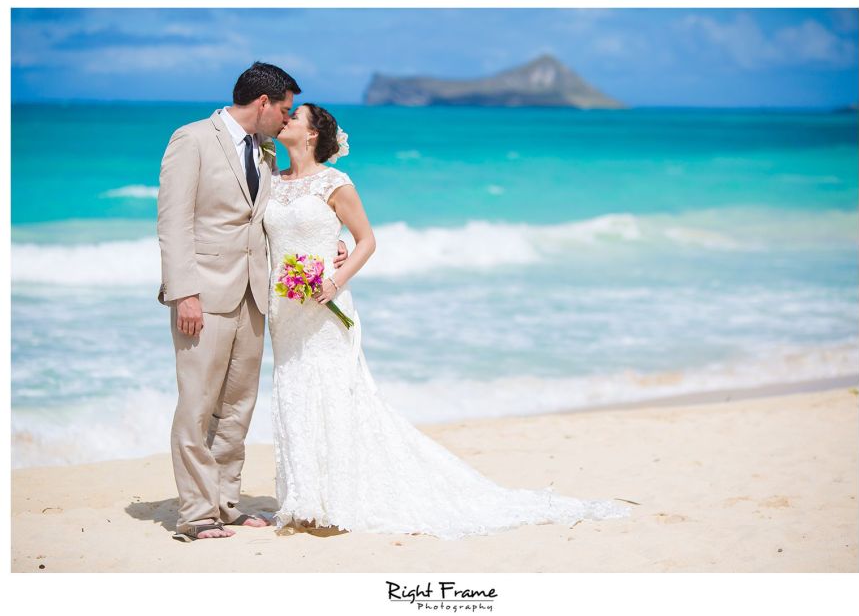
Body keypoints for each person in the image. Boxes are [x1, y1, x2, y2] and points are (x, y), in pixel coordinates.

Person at [264, 103, 631, 539]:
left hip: (324, 306)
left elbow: (366, 240)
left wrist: (334, 277)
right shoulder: (272, 180)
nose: (285, 119)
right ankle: (305, 497)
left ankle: (334, 498)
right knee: (293, 390)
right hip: (283, 308)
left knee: (330, 390)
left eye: (295, 116)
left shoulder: (335, 182)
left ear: (310, 135)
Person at [156, 63, 348, 542]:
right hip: (203, 295)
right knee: (198, 405)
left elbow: (279, 216)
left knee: (237, 407)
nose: (286, 121)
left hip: (255, 297)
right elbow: (173, 222)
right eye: (284, 110)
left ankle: (224, 503)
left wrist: (333, 247)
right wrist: (184, 293)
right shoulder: (192, 139)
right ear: (263, 103)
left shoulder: (264, 153)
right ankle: (196, 513)